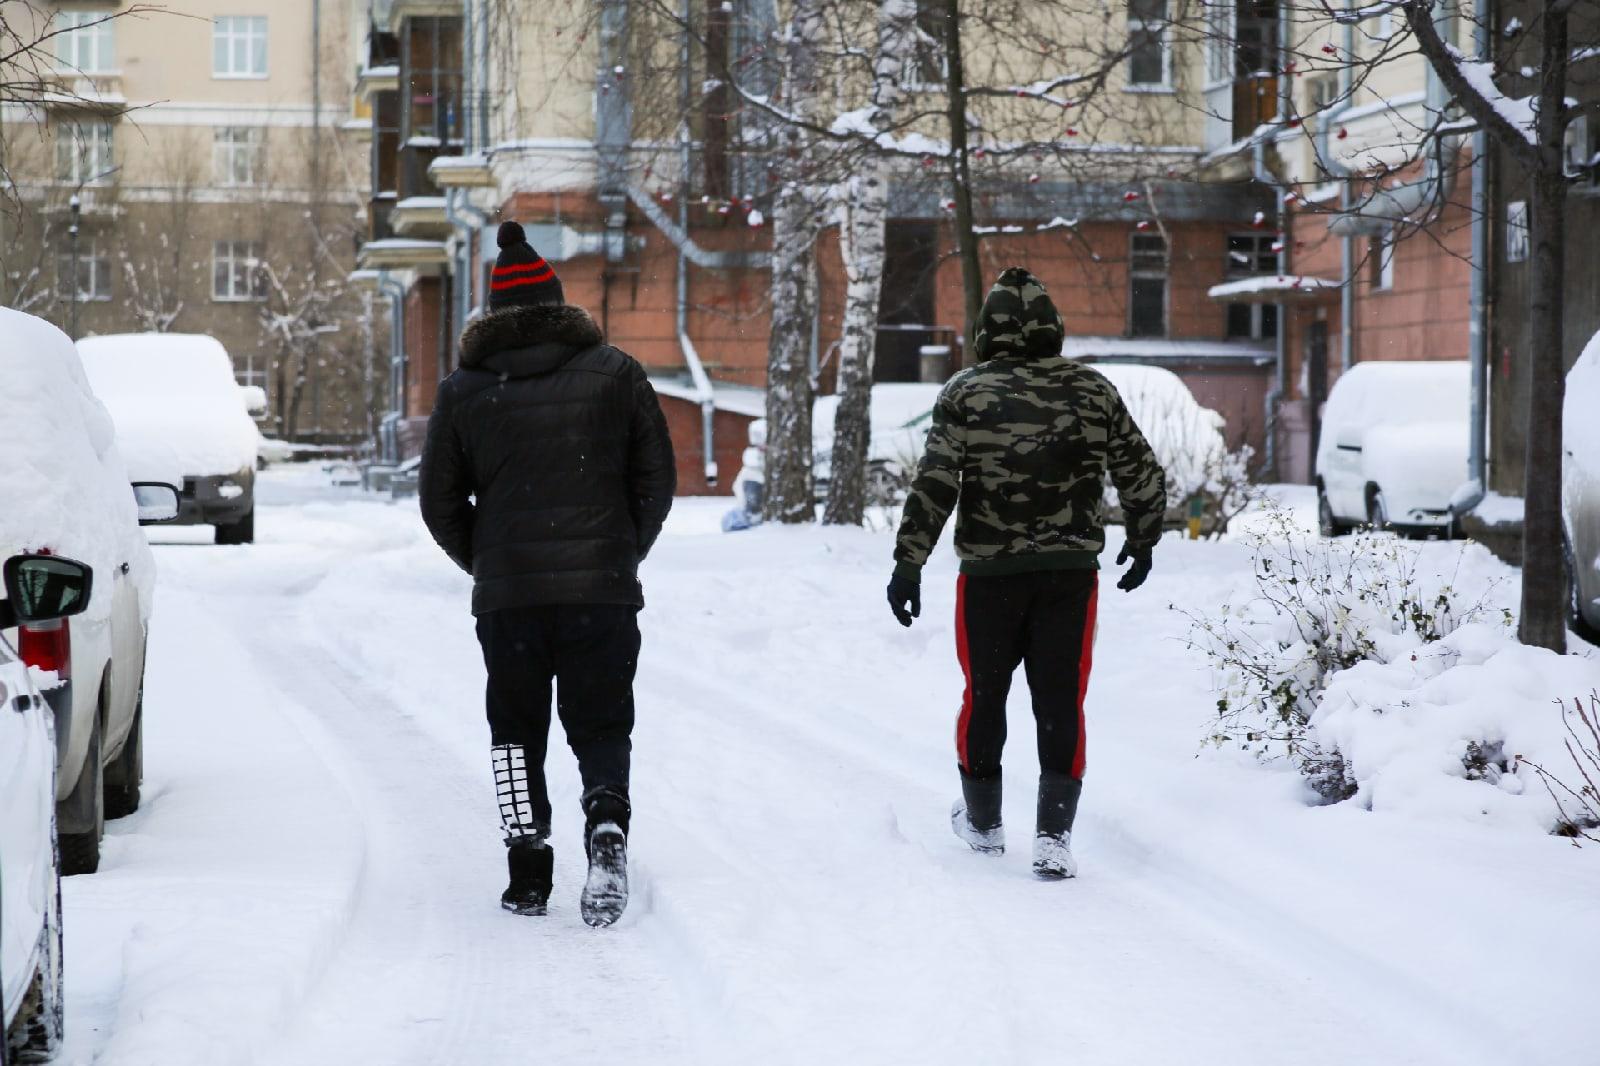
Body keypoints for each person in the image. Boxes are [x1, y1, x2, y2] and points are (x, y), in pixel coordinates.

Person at [420, 221, 676, 926]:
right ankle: (607, 819)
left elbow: (439, 503)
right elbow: (656, 478)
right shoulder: (616, 373)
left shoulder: (464, 390)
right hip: (601, 590)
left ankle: (527, 869)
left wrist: (490, 562)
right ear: (560, 305)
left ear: (494, 313)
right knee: (601, 722)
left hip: (510, 600)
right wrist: (621, 550)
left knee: (513, 730)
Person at [887, 267, 1166, 880]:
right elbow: (1140, 469)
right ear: (1053, 329)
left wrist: (909, 562)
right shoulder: (1093, 391)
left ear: (987, 333)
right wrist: (1142, 537)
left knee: (984, 697)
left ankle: (984, 823)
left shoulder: (965, 393)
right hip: (1070, 577)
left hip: (988, 578)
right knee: (1061, 700)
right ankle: (1053, 838)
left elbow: (936, 481)